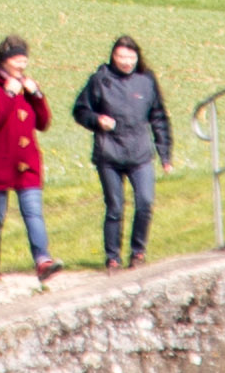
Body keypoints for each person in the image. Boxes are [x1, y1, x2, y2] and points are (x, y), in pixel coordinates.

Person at [72, 34, 171, 269]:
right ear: (113, 57)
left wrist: (165, 154)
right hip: (109, 154)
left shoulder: (146, 81)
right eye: (121, 56)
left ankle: (138, 253)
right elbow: (80, 111)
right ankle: (112, 257)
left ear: (138, 57)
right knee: (115, 206)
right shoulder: (100, 80)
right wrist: (97, 120)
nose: (126, 61)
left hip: (140, 155)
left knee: (145, 203)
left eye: (131, 57)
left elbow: (159, 118)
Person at [0, 36, 55, 283]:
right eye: (17, 61)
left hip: (26, 160)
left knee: (33, 212)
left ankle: (43, 261)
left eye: (24, 60)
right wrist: (8, 95)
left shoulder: (27, 85)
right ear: (4, 61)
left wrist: (37, 95)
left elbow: (43, 123)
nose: (22, 66)